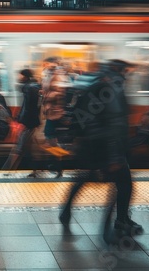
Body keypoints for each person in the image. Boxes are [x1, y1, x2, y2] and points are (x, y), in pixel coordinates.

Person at [59, 60, 143, 242]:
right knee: (123, 184)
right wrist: (115, 155)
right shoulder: (112, 88)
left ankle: (66, 211)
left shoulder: (95, 84)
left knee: (87, 177)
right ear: (119, 71)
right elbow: (112, 123)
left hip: (92, 145)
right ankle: (113, 227)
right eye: (127, 72)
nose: (128, 75)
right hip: (106, 146)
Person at [1, 69, 41, 170]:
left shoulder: (29, 89)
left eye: (20, 75)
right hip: (31, 122)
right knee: (28, 147)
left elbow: (27, 107)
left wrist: (22, 121)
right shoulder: (32, 87)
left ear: (25, 76)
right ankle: (35, 170)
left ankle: (6, 170)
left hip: (28, 123)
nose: (19, 77)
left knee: (20, 147)